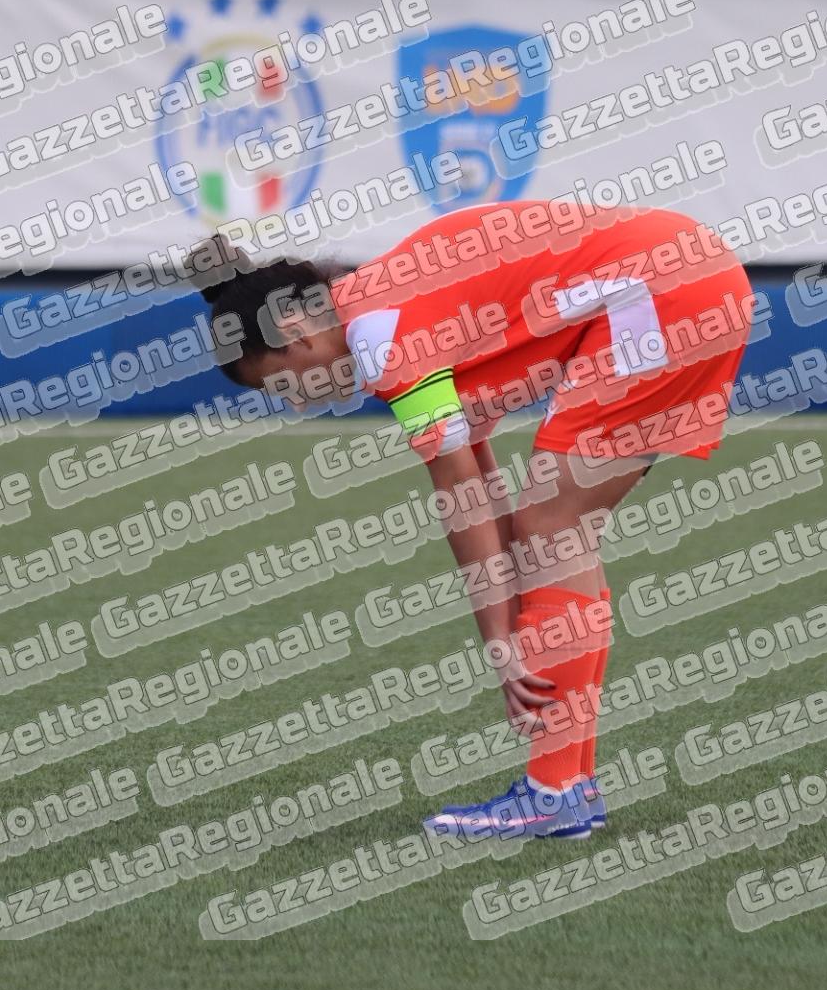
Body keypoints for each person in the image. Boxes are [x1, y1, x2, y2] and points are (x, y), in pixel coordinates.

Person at [195, 199, 754, 837]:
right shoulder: (384, 305)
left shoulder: (379, 337)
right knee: (552, 533)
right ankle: (568, 787)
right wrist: (510, 617)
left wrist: (502, 643)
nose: (296, 404)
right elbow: (479, 480)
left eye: (282, 384)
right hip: (684, 275)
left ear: (296, 333)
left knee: (552, 532)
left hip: (661, 288)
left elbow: (459, 497)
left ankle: (552, 792)